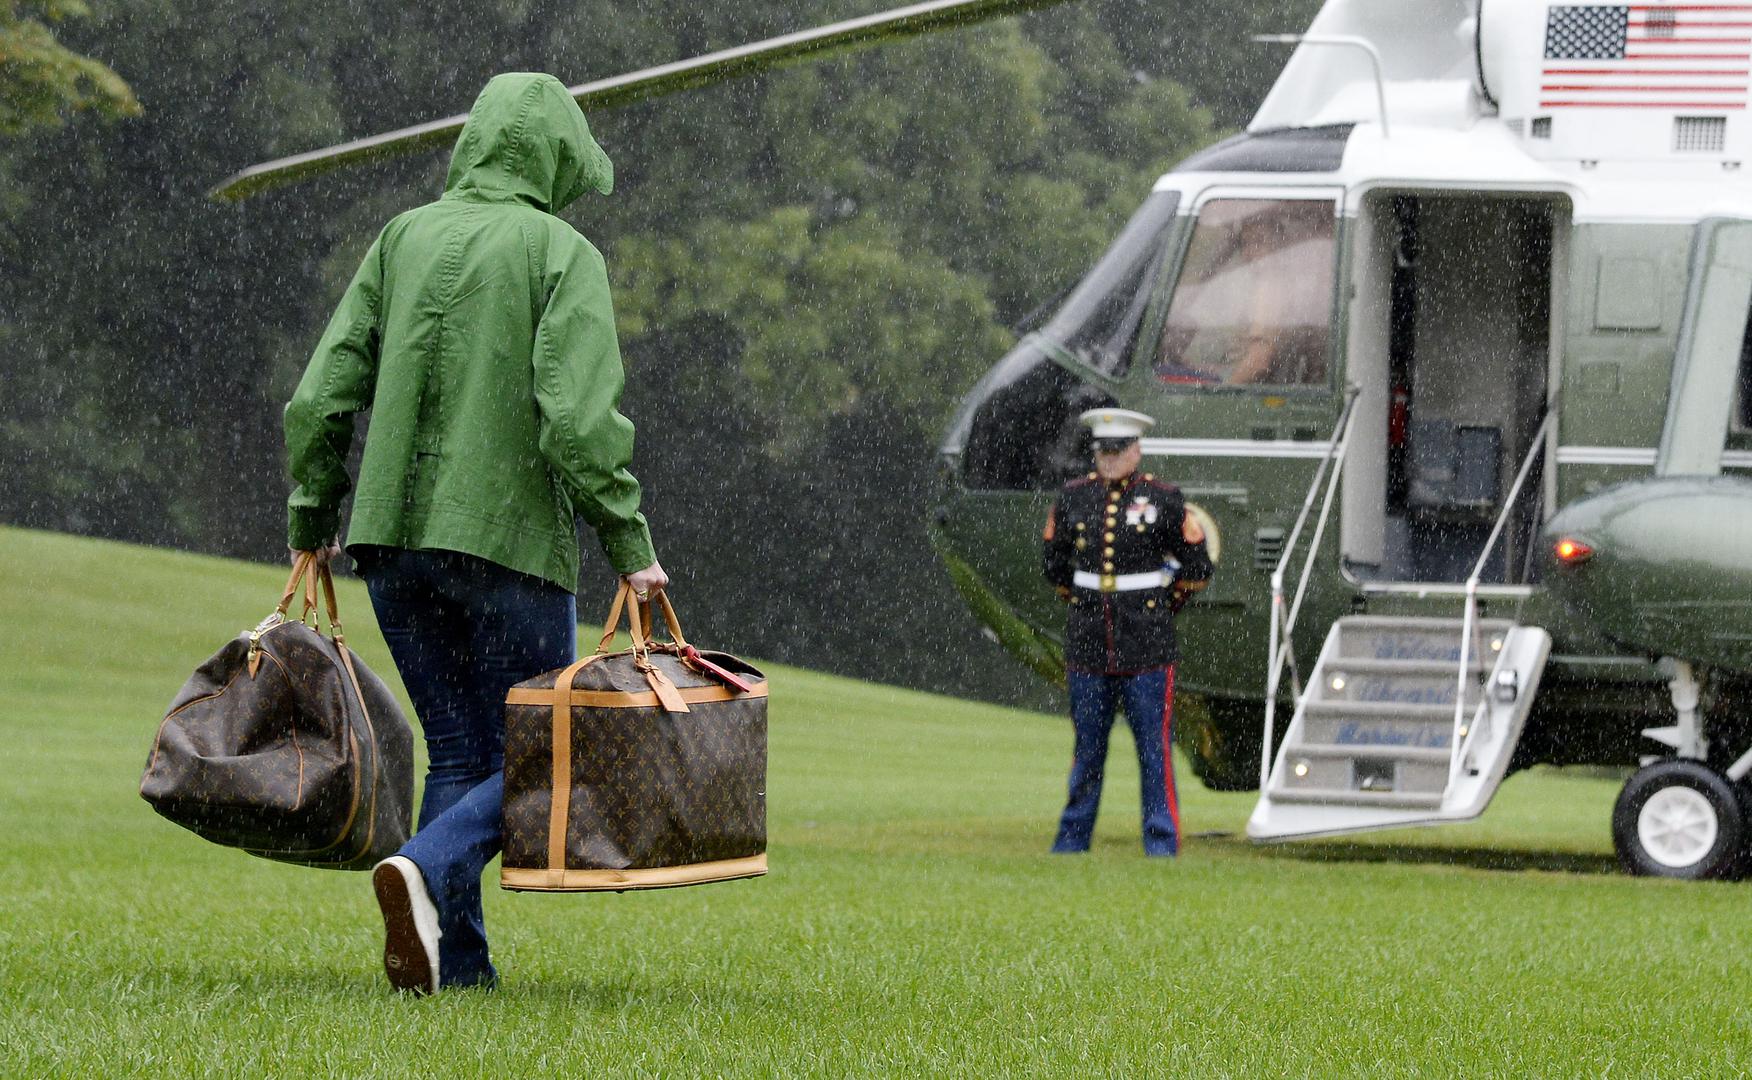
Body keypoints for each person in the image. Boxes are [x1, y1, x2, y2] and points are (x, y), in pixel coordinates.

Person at [283, 72, 667, 994]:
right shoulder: (559, 251)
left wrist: (310, 519)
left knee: (460, 749)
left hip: (390, 545)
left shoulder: (400, 238)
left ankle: (458, 971)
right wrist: (630, 543)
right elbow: (575, 422)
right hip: (507, 544)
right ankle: (424, 864)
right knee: (551, 751)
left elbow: (320, 397)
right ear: (556, 157)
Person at [1041, 408, 1213, 856]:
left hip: (1148, 644)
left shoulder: (1164, 499)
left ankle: (1160, 843)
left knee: (1154, 753)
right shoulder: (1073, 498)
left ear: (1136, 450)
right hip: (1089, 642)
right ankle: (1072, 842)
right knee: (1087, 752)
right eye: (1103, 451)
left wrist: (1160, 608)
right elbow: (1055, 566)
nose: (1109, 460)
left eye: (1118, 451)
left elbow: (1196, 568)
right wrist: (1085, 605)